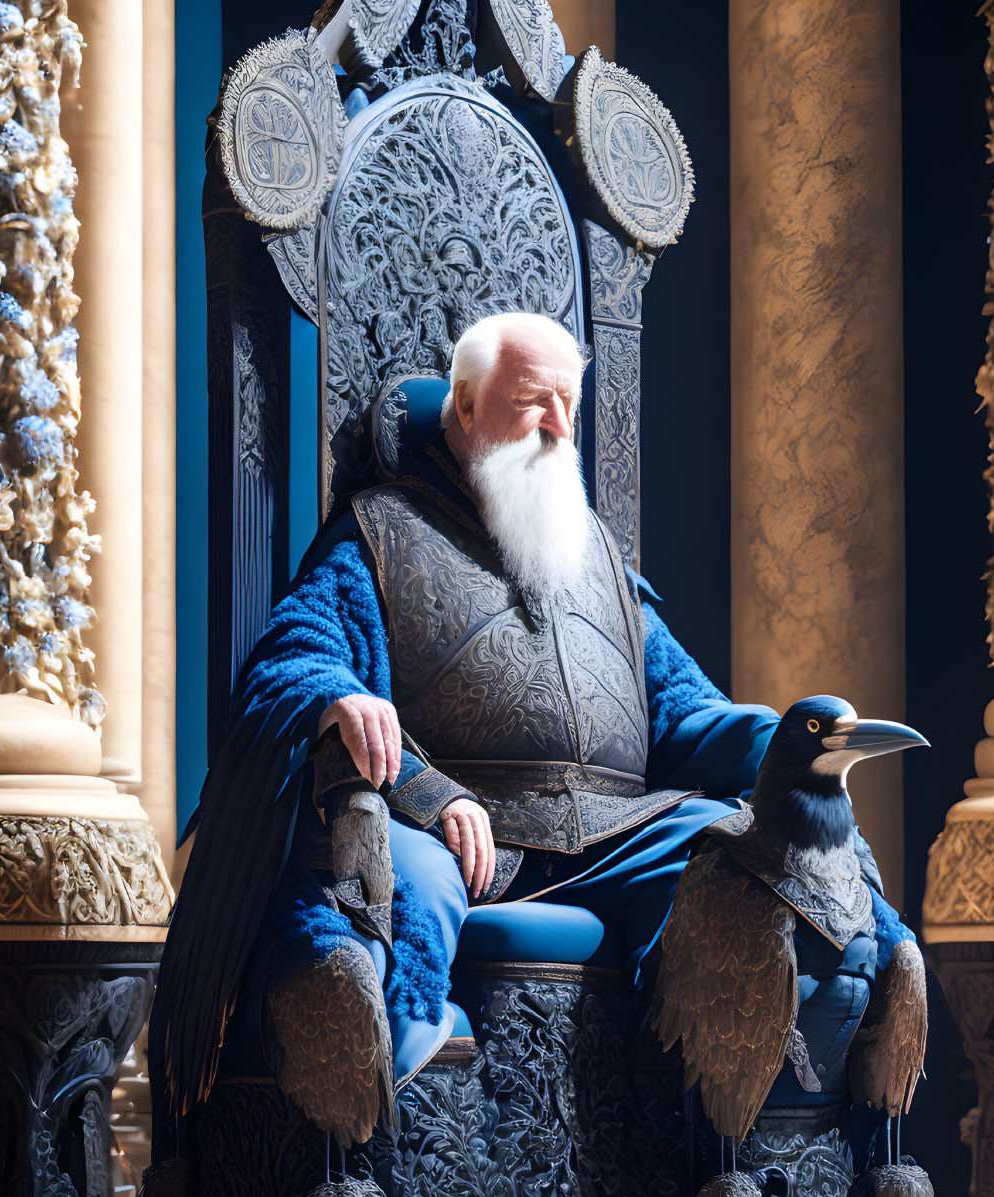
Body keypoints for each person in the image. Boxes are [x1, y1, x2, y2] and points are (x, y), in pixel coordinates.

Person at [151, 312, 792, 1153]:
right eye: (534, 402)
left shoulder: (594, 552)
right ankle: (383, 1134)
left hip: (618, 833)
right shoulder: (377, 533)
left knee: (739, 850)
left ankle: (720, 1150)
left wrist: (781, 745)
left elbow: (681, 710)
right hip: (454, 829)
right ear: (462, 402)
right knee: (394, 883)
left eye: (569, 402)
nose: (560, 427)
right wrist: (351, 710)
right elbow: (290, 662)